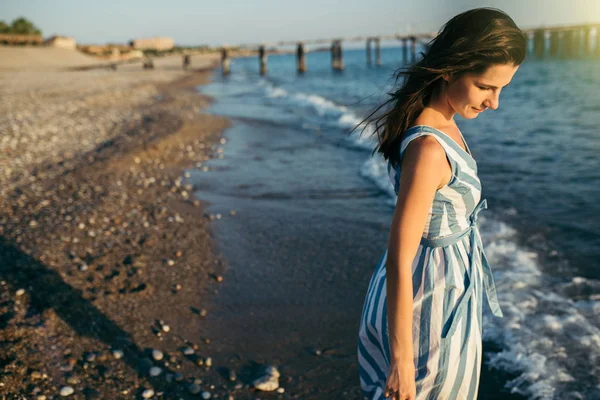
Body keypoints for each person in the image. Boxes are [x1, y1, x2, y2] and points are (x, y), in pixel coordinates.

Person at [356, 8, 526, 400]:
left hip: (446, 290)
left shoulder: (442, 123)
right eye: (486, 87)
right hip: (427, 306)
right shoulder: (429, 149)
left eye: (502, 89)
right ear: (451, 69)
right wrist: (401, 361)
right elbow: (400, 257)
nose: (494, 103)